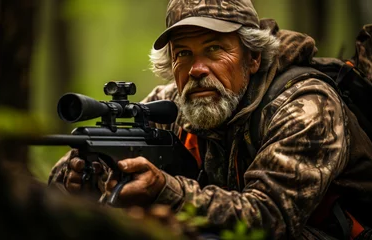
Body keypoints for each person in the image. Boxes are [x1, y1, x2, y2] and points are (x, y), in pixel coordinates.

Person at [48, 0, 372, 239]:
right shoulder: (172, 101)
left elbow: (267, 218)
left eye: (214, 49)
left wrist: (166, 190)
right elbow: (71, 166)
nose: (197, 70)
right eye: (183, 54)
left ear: (253, 57)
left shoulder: (306, 105)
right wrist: (75, 178)